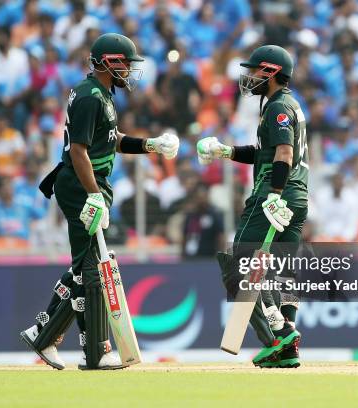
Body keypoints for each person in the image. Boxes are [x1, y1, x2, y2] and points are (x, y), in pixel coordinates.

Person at [19, 33, 179, 370]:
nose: (131, 72)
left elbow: (112, 141)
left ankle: (43, 332)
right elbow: (78, 150)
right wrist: (93, 193)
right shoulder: (92, 96)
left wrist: (151, 145)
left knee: (83, 266)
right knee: (93, 268)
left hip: (86, 183)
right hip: (80, 184)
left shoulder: (101, 93)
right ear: (109, 62)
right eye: (127, 64)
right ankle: (97, 350)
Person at [196, 45, 307, 368]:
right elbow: (264, 152)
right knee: (283, 271)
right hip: (298, 198)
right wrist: (224, 151)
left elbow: (283, 154)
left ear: (271, 73)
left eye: (255, 71)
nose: (249, 78)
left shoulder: (277, 107)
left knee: (238, 262)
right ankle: (287, 347)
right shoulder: (289, 105)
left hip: (274, 195)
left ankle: (278, 332)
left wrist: (274, 194)